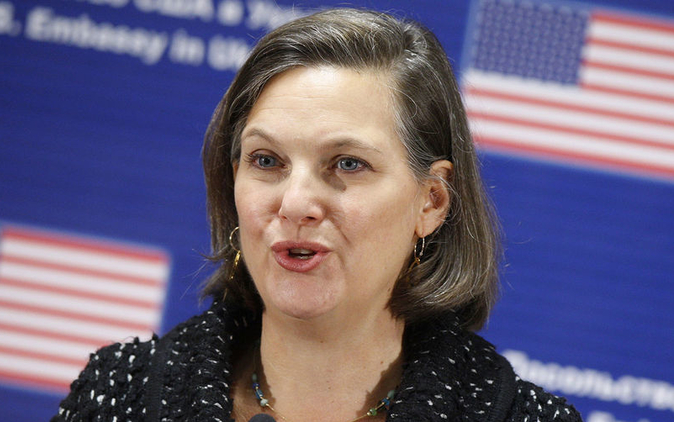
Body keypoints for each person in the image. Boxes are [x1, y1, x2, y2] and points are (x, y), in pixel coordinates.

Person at [52, 8, 582, 422]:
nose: (295, 204)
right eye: (267, 161)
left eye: (347, 164)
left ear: (432, 202)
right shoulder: (120, 395)